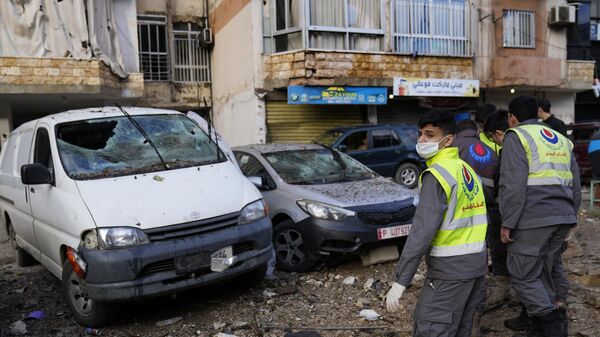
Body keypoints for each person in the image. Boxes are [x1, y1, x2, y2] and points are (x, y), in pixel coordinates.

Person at [386, 110, 488, 337]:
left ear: (448, 139)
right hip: (476, 266)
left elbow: (422, 231)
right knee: (462, 328)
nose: (422, 140)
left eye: (430, 135)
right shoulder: (466, 170)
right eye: (420, 134)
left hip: (449, 270)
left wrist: (401, 280)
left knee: (431, 328)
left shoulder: (437, 175)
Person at [499, 96, 580, 337]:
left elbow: (512, 185)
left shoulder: (516, 136)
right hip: (563, 215)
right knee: (544, 270)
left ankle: (552, 326)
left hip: (533, 216)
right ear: (537, 112)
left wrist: (508, 222)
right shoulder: (561, 140)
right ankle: (544, 324)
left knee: (523, 274)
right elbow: (575, 185)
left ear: (512, 118)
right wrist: (570, 216)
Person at [453, 119, 503, 337]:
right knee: (480, 264)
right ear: (476, 132)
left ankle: (457, 316)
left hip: (461, 214)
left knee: (458, 264)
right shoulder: (492, 151)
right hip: (486, 212)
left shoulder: (454, 147)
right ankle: (474, 324)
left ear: (456, 132)